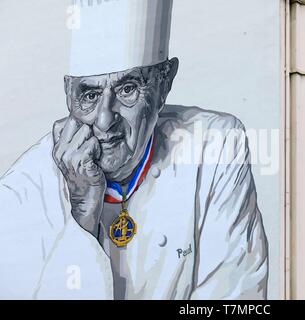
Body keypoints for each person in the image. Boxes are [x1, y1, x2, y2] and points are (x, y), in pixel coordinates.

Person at [0, 0, 268, 299]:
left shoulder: (215, 144)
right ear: (68, 94)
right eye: (89, 95)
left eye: (127, 89)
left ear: (164, 84)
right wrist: (83, 215)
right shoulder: (21, 189)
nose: (104, 119)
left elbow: (235, 295)